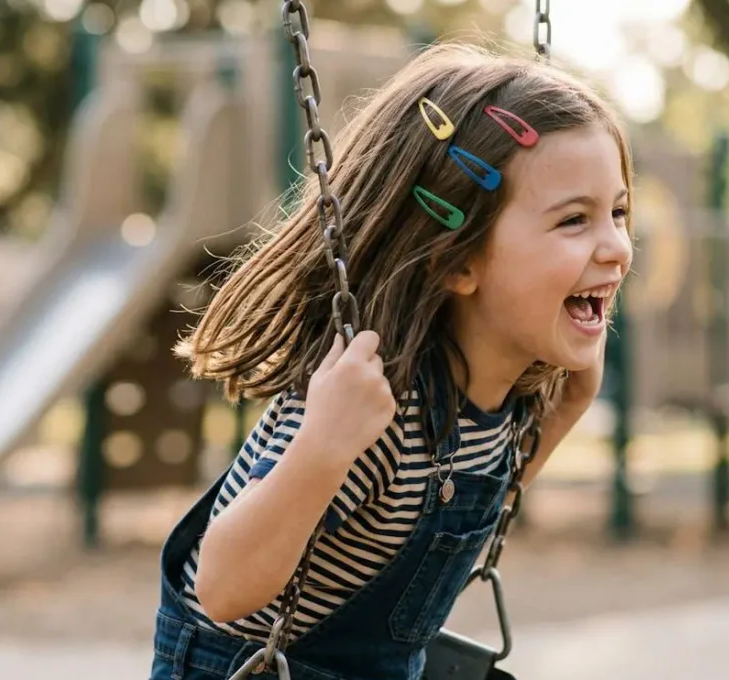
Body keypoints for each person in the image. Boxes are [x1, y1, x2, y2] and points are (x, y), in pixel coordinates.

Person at [153, 42, 634, 680]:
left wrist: (571, 401)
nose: (617, 248)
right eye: (575, 220)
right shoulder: (368, 410)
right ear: (457, 261)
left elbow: (457, 526)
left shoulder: (508, 397)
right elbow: (222, 587)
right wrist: (322, 447)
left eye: (619, 212)